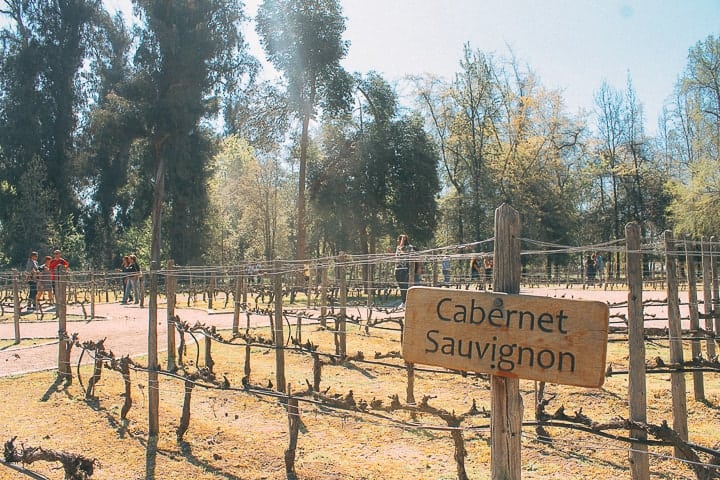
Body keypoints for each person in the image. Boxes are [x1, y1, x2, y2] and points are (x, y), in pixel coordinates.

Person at [394, 234, 413, 306]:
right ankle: (403, 301)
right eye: (401, 239)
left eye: (404, 239)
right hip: (398, 269)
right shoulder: (398, 247)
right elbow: (398, 254)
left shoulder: (409, 247)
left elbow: (404, 251)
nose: (402, 240)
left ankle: (405, 301)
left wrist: (402, 241)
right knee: (401, 286)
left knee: (405, 286)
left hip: (405, 269)